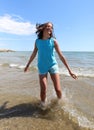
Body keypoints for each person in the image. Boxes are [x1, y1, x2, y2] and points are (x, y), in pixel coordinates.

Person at [24, 22, 77, 108]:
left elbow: (61, 56)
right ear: (43, 28)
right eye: (48, 26)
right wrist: (27, 65)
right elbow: (33, 53)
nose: (50, 28)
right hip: (42, 66)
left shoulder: (53, 41)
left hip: (53, 65)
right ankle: (43, 106)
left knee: (58, 89)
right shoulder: (37, 41)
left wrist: (70, 71)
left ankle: (61, 105)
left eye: (51, 27)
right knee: (43, 90)